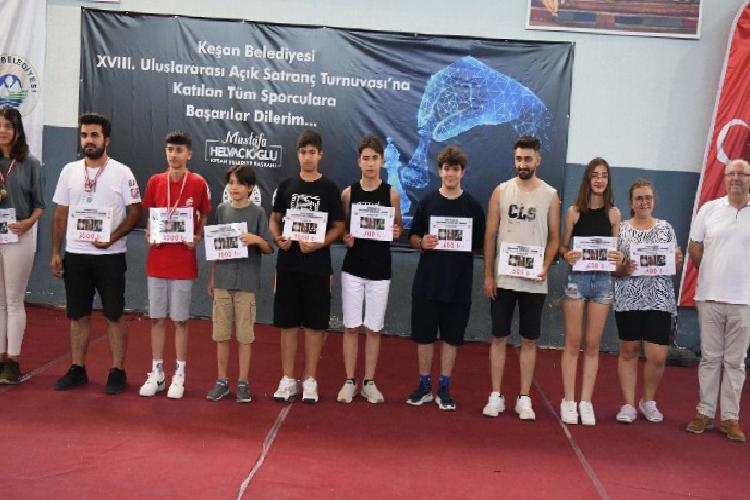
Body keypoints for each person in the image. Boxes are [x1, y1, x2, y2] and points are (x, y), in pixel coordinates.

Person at [50, 113, 142, 394]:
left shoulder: (122, 172)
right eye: (84, 135)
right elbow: (60, 213)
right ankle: (77, 368)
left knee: (114, 314)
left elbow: (136, 212)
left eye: (94, 135)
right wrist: (56, 251)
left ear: (106, 140)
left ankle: (117, 370)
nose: (88, 140)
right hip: (76, 254)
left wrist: (112, 237)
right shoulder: (69, 170)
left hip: (110, 256)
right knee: (77, 315)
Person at [482, 136, 560, 420]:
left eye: (528, 159)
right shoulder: (501, 191)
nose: (523, 164)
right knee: (498, 336)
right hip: (503, 279)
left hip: (534, 280)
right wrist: (488, 274)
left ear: (538, 160)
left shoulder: (550, 195)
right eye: (519, 159)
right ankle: (496, 395)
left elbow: (554, 238)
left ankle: (524, 397)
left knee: (529, 339)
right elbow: (490, 235)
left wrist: (545, 266)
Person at [405, 145, 485, 411]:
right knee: (424, 336)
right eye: (446, 169)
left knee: (452, 338)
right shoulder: (427, 202)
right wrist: (423, 242)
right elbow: (412, 237)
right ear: (440, 171)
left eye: (455, 169)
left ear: (463, 172)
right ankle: (424, 385)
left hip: (458, 284)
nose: (451, 174)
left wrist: (462, 242)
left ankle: (444, 387)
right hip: (427, 283)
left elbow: (479, 245)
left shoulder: (473, 206)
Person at [269, 129, 345, 403]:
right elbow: (274, 218)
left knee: (314, 326)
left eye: (312, 152)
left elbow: (339, 226)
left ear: (320, 155)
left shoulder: (330, 188)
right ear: (297, 154)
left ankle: (310, 379)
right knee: (288, 325)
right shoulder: (287, 185)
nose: (308, 157)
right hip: (288, 266)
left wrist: (320, 243)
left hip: (317, 267)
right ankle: (288, 379)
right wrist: (278, 237)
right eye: (303, 152)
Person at [138, 131, 211, 399]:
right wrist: (149, 233)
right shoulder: (155, 181)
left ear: (189, 154)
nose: (173, 154)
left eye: (179, 150)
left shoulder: (198, 183)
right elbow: (151, 217)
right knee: (157, 318)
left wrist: (197, 236)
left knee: (180, 320)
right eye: (170, 149)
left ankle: (179, 374)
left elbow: (203, 215)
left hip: (182, 261)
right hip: (158, 260)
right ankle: (157, 372)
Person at [686, 159, 750, 443]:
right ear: (724, 178)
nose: (736, 178)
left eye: (742, 174)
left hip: (744, 301)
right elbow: (694, 246)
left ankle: (730, 418)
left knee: (735, 362)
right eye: (731, 173)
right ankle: (704, 412)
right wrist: (711, 271)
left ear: (749, 179)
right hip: (709, 297)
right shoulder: (709, 209)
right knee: (710, 358)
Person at [337, 135, 402, 404]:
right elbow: (343, 229)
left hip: (380, 270)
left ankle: (369, 382)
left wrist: (396, 231)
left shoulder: (391, 194)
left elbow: (398, 228)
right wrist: (346, 238)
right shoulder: (348, 194)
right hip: (353, 269)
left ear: (382, 161)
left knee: (374, 329)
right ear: (359, 161)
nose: (371, 163)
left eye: (375, 158)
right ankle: (349, 381)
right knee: (352, 327)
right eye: (366, 158)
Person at [558, 158, 622, 425]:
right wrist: (567, 254)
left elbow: (616, 253)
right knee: (573, 342)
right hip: (578, 280)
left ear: (608, 180)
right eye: (595, 175)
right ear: (587, 179)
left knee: (593, 344)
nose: (599, 180)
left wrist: (618, 257)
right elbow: (562, 248)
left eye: (604, 175)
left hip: (603, 283)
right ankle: (569, 399)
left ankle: (586, 401)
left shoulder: (614, 214)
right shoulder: (574, 211)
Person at [612, 179, 682, 423]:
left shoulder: (666, 229)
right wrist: (623, 268)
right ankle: (628, 404)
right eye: (639, 198)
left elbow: (673, 264)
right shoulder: (620, 230)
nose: (644, 202)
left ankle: (648, 401)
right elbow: (612, 268)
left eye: (648, 198)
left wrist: (677, 260)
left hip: (659, 299)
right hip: (628, 298)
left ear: (654, 200)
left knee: (657, 356)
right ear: (631, 203)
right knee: (628, 352)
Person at [206, 165, 273, 403]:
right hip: (223, 281)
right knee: (221, 334)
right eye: (231, 182)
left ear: (250, 188)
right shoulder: (222, 210)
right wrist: (213, 277)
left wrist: (256, 240)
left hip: (246, 283)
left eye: (240, 183)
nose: (234, 187)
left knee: (245, 336)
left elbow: (269, 248)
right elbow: (215, 247)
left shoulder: (258, 213)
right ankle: (222, 380)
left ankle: (243, 381)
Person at [0, 107, 45, 384]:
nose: (3, 130)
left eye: (8, 126)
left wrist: (29, 222)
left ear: (17, 130)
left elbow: (40, 205)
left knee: (14, 301)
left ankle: (12, 361)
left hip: (18, 235)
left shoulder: (30, 163)